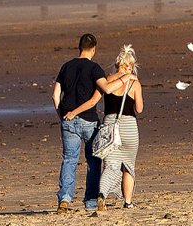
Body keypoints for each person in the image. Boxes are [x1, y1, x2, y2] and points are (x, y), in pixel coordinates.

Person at [52, 33, 132, 214]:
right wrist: (125, 77)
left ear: (79, 47)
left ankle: (64, 199)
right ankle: (90, 201)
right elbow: (106, 88)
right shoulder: (94, 68)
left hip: (67, 120)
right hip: (89, 120)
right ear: (94, 49)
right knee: (94, 162)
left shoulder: (66, 67)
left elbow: (55, 96)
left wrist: (62, 115)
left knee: (69, 160)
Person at [96, 44, 144, 211]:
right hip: (129, 127)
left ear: (118, 64)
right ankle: (128, 201)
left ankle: (102, 194)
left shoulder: (108, 80)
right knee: (128, 166)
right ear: (130, 66)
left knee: (110, 165)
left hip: (110, 125)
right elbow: (139, 108)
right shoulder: (134, 83)